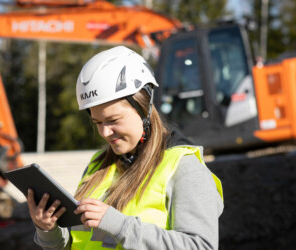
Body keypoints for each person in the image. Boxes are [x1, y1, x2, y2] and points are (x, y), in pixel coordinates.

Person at [26, 46, 224, 250]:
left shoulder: (184, 167)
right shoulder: (98, 165)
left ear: (144, 106)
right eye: (97, 122)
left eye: (113, 120)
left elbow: (200, 246)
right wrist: (49, 230)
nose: (104, 132)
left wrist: (119, 225)